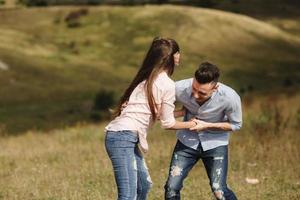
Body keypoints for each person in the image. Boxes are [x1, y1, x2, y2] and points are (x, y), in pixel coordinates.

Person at [104, 37, 197, 200]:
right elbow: (167, 123)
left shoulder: (146, 79)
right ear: (173, 57)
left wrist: (182, 113)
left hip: (123, 136)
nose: (179, 56)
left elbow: (154, 112)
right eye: (177, 53)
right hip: (122, 137)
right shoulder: (167, 84)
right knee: (127, 195)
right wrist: (193, 124)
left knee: (143, 185)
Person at [164, 62, 242, 200]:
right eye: (194, 88)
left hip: (216, 144)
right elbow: (160, 105)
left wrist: (207, 126)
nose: (195, 95)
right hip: (186, 142)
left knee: (219, 190)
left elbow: (236, 125)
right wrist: (179, 112)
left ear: (215, 88)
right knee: (171, 188)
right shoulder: (179, 87)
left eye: (202, 93)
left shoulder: (230, 97)